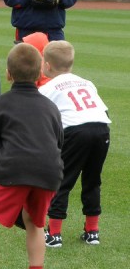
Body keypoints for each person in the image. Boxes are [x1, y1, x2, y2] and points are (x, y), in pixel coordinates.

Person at [0, 43, 64, 269]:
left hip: (12, 168)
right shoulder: (50, 107)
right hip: (50, 171)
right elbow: (58, 143)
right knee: (35, 222)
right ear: (40, 73)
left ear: (8, 74)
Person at [39, 40, 111, 248]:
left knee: (62, 181)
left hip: (75, 131)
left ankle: (54, 234)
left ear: (47, 65)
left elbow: (43, 118)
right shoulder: (86, 82)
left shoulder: (48, 87)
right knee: (92, 180)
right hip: (101, 128)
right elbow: (102, 110)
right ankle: (92, 232)